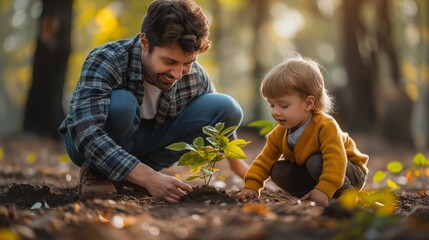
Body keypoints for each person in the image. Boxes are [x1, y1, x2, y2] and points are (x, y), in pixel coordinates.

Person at [59, 0, 248, 203]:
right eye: (169, 61)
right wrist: (149, 178)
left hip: (146, 147)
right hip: (87, 144)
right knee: (123, 105)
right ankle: (96, 172)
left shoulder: (193, 75)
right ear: (145, 42)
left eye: (187, 63)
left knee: (228, 108)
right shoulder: (107, 59)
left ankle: (129, 178)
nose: (177, 74)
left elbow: (221, 118)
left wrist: (240, 167)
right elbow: (84, 130)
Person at [236, 54, 369, 205]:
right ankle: (313, 195)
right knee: (278, 170)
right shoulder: (280, 133)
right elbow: (264, 160)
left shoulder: (325, 126)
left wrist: (325, 188)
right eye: (272, 105)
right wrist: (251, 186)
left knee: (315, 161)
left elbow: (335, 160)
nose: (275, 112)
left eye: (283, 105)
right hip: (318, 172)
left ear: (308, 103)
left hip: (350, 171)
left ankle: (348, 197)